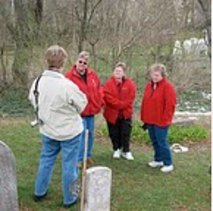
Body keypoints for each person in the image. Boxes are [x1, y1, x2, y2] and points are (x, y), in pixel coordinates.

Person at [28, 45, 87, 207]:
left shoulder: (38, 82)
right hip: (69, 132)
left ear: (47, 61)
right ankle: (71, 198)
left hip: (48, 129)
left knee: (46, 161)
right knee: (70, 166)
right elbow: (82, 105)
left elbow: (33, 100)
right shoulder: (67, 86)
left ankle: (39, 192)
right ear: (63, 63)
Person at [65, 51, 103, 168]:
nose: (82, 64)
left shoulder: (92, 75)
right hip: (78, 112)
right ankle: (79, 158)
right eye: (80, 62)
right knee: (80, 135)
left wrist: (99, 102)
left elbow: (99, 89)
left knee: (90, 134)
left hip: (91, 110)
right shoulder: (69, 76)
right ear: (76, 62)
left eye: (85, 63)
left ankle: (88, 155)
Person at [140, 63, 176, 173]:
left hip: (161, 120)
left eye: (157, 75)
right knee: (154, 141)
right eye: (153, 75)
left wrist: (166, 119)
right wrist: (144, 117)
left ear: (163, 75)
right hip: (150, 119)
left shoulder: (168, 87)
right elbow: (145, 102)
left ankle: (168, 163)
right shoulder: (149, 86)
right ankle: (158, 159)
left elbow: (170, 104)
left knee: (162, 141)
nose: (154, 77)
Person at [103, 62, 136, 160]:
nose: (117, 72)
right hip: (112, 113)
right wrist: (119, 105)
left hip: (125, 113)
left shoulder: (129, 83)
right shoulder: (108, 83)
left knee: (126, 132)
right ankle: (116, 149)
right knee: (114, 132)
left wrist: (122, 105)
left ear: (124, 73)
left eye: (120, 71)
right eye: (116, 70)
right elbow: (107, 97)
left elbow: (131, 96)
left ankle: (126, 151)